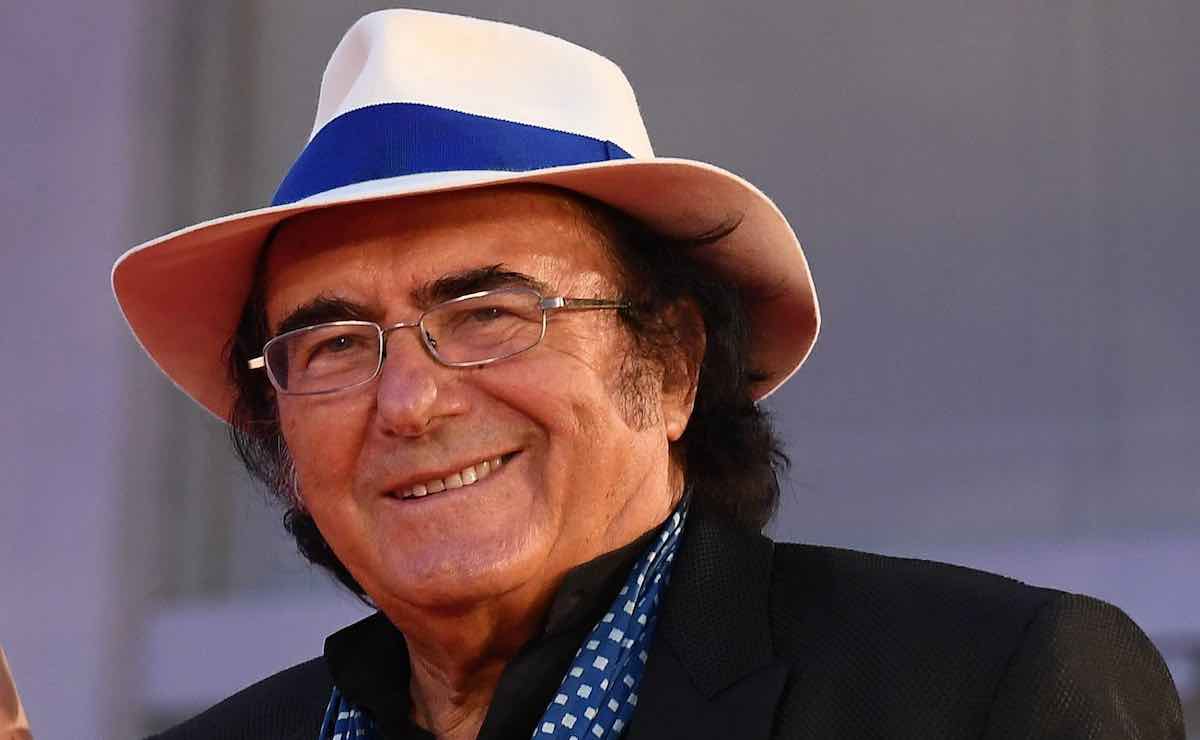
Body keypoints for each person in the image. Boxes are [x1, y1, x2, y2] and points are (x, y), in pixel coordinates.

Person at [113, 9, 1185, 740]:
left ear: (672, 364)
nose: (411, 401)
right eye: (337, 345)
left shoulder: (985, 690)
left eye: (487, 316)